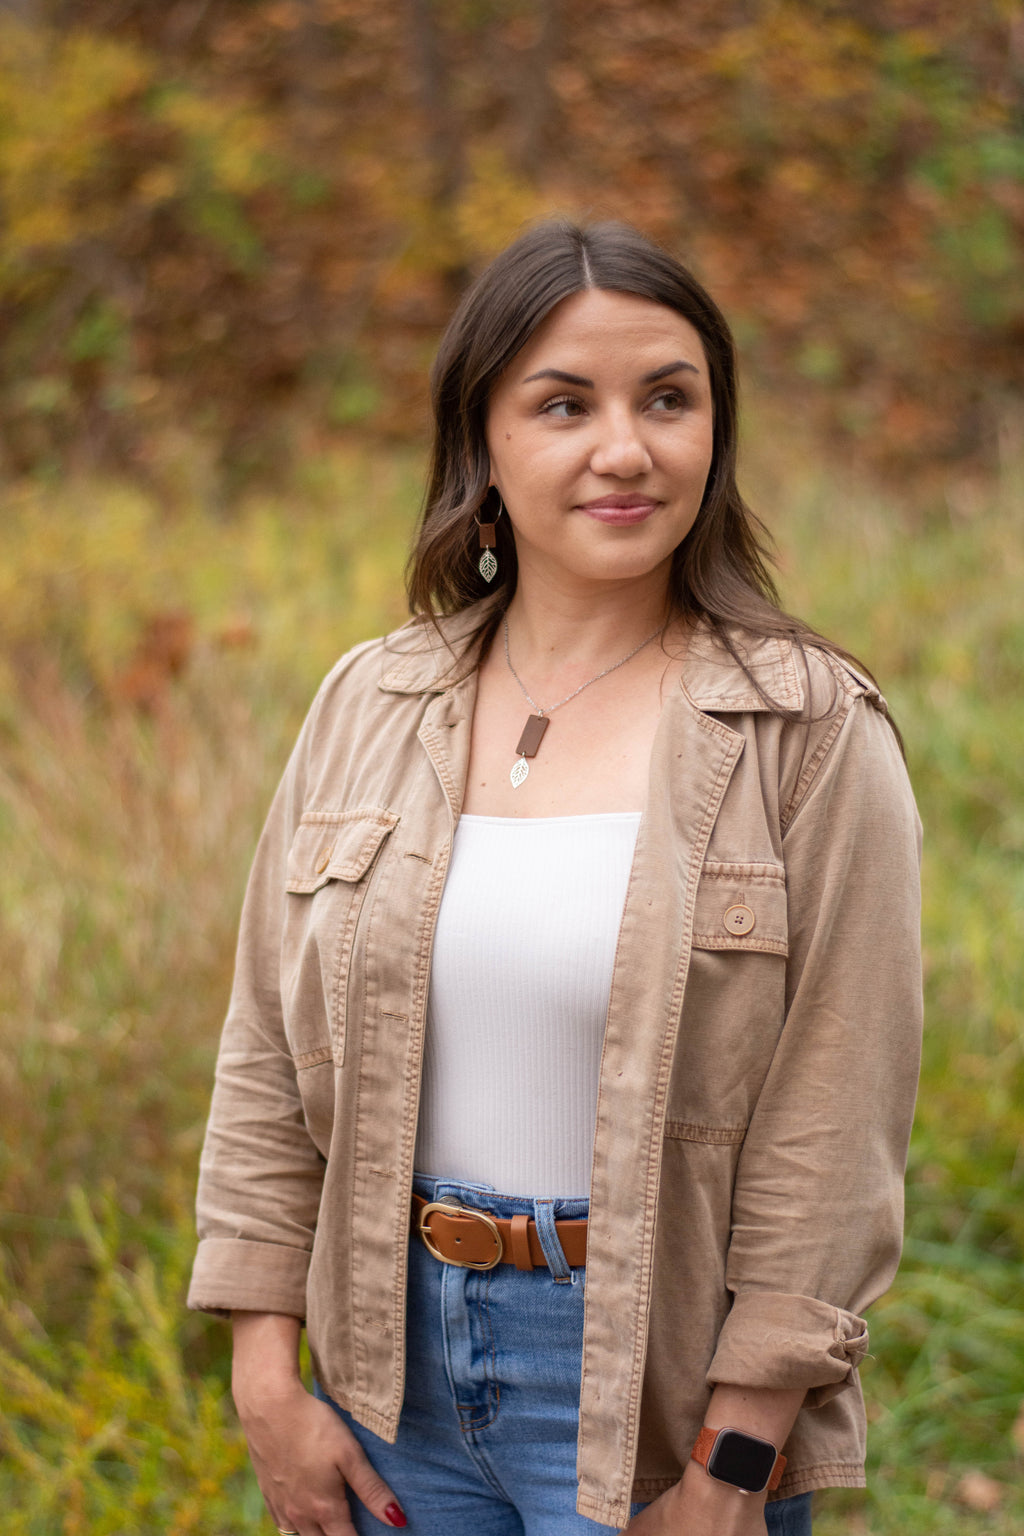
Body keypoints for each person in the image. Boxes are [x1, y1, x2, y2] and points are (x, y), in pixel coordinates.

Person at [188, 219, 922, 1536]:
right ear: (483, 440)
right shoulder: (372, 699)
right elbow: (263, 1049)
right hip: (386, 1374)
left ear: (716, 430)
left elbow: (834, 1130)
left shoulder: (808, 730)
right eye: (565, 404)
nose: (625, 449)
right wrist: (264, 1375)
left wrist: (731, 1469)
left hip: (655, 1398)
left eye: (669, 400)